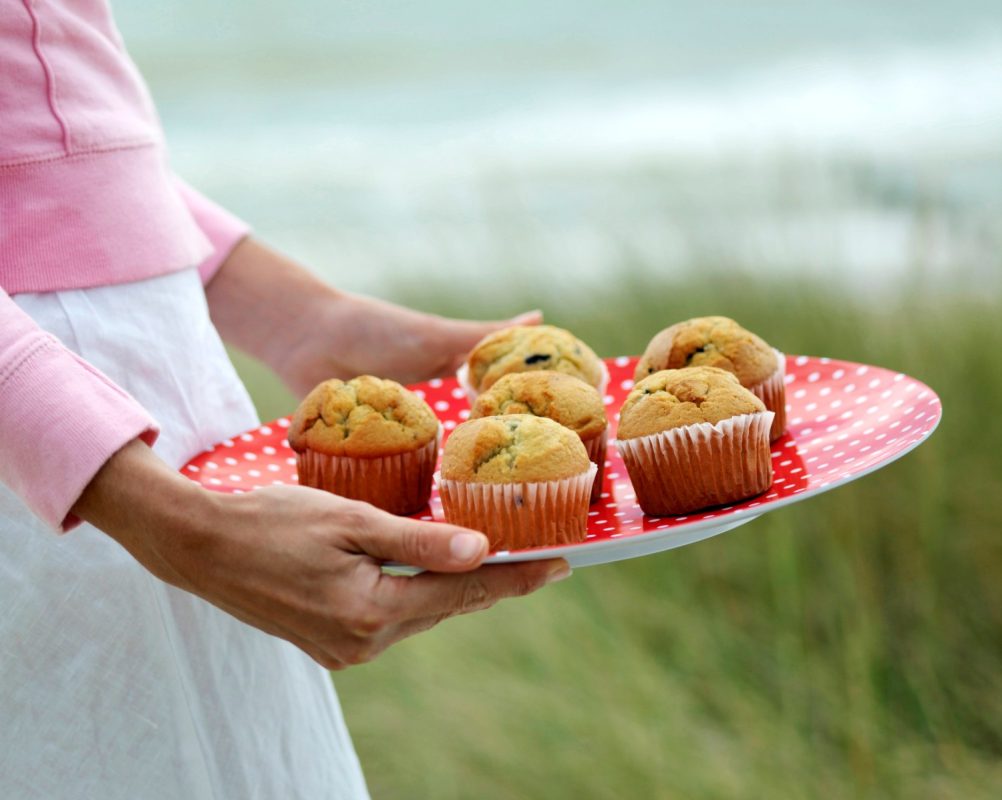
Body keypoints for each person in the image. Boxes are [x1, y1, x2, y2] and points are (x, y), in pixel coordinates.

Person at [0, 3, 569, 798]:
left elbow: (54, 111)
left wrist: (294, 316)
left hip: (130, 411)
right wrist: (165, 517)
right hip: (53, 456)